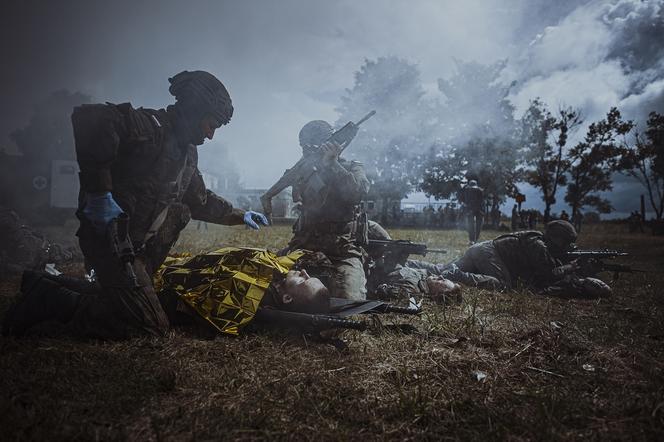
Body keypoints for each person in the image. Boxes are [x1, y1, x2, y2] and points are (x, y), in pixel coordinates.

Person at [3, 71, 269, 339]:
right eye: (210, 124)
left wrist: (240, 214)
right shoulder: (151, 127)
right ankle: (47, 300)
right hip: (110, 241)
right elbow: (93, 119)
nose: (210, 135)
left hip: (136, 248)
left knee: (181, 212)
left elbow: (199, 200)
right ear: (194, 110)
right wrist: (98, 194)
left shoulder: (187, 153)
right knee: (150, 327)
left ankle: (49, 285)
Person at [283, 120, 370, 301]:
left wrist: (333, 164)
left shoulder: (352, 168)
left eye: (312, 146)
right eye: (304, 147)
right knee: (265, 281)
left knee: (347, 302)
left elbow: (357, 193)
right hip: (303, 247)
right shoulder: (304, 172)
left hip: (341, 252)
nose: (307, 151)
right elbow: (299, 197)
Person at [449, 220, 612, 297]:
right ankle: (458, 276)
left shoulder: (542, 243)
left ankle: (429, 268)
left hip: (482, 251)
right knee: (504, 286)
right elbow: (548, 274)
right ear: (556, 238)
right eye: (566, 242)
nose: (567, 246)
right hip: (488, 254)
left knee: (440, 270)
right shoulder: (539, 245)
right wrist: (570, 267)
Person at [459, 180, 484, 244]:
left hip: (476, 209)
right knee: (472, 225)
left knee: (475, 225)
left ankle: (474, 240)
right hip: (474, 209)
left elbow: (481, 202)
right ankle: (473, 240)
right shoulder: (469, 191)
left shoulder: (477, 191)